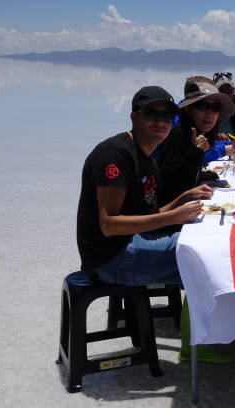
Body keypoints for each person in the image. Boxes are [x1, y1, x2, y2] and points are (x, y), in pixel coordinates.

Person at [76, 86, 213, 286]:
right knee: (206, 253)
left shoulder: (148, 159)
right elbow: (109, 225)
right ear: (134, 117)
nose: (160, 122)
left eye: (167, 116)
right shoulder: (115, 155)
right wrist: (174, 217)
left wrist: (184, 197)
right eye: (151, 114)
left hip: (134, 241)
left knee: (207, 251)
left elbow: (150, 215)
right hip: (111, 258)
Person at [156, 79, 235, 208]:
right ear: (189, 109)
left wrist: (199, 176)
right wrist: (195, 152)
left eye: (215, 108)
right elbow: (166, 182)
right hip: (171, 214)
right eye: (202, 106)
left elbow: (184, 176)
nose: (209, 113)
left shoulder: (202, 134)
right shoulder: (177, 135)